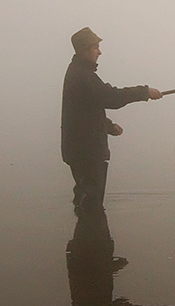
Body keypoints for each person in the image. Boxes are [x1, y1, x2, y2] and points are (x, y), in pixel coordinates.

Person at [61, 27, 163, 212]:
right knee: (91, 204)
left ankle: (83, 237)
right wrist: (144, 92)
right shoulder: (83, 76)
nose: (100, 52)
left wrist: (108, 126)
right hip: (87, 152)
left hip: (81, 149)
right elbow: (110, 97)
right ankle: (91, 237)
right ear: (85, 49)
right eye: (96, 48)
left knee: (86, 199)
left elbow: (87, 109)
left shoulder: (78, 73)